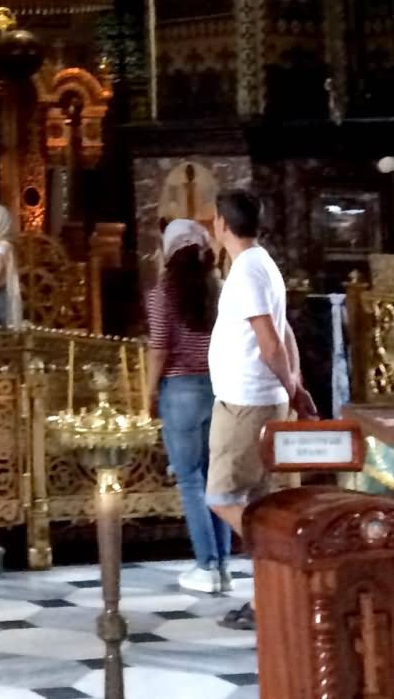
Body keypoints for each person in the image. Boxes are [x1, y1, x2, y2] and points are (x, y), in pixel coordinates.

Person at [206, 188, 314, 632]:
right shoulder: (261, 264)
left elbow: (270, 340)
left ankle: (284, 561)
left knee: (221, 496)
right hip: (260, 395)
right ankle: (267, 593)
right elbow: (284, 328)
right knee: (257, 501)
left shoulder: (248, 271)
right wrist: (296, 384)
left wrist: (291, 385)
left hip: (246, 401)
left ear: (222, 225)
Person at [149, 218, 233, 596]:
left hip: (180, 389)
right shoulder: (218, 288)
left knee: (189, 480)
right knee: (215, 478)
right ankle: (224, 566)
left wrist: (148, 393)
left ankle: (206, 565)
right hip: (218, 387)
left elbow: (159, 347)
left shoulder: (163, 292)